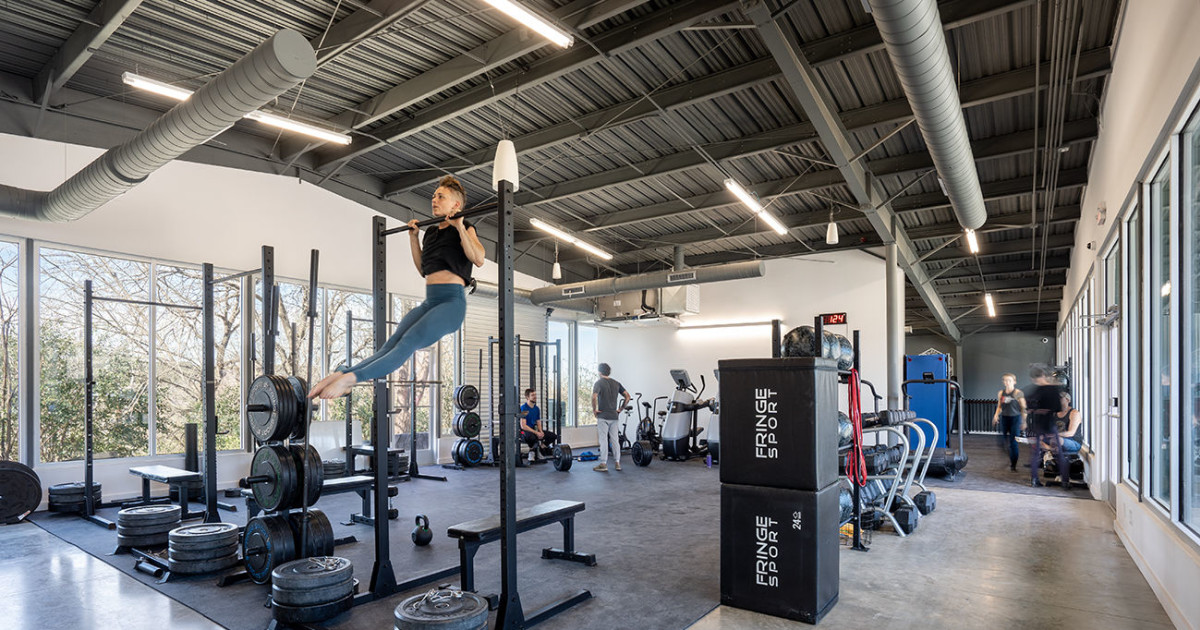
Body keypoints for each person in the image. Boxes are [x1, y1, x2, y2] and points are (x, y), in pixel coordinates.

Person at [309, 175, 485, 400]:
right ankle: (344, 373)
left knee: (409, 342)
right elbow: (423, 269)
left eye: (441, 197)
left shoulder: (466, 227)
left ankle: (350, 379)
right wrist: (413, 238)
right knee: (390, 344)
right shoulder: (431, 233)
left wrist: (459, 226)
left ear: (456, 205)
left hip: (451, 304)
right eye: (433, 196)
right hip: (431, 302)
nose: (434, 200)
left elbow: (478, 258)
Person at [1024, 364, 1066, 487]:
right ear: (1043, 375)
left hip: (1038, 423)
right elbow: (1058, 408)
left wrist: (1037, 410)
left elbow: (1028, 407)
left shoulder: (1035, 390)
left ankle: (1034, 480)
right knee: (1059, 452)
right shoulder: (1053, 389)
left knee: (1035, 452)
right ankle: (1065, 480)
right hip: (1050, 423)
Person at [592, 362, 630, 472]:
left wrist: (594, 410)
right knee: (615, 440)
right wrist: (620, 409)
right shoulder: (616, 383)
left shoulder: (598, 383)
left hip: (603, 416)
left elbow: (594, 397)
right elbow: (627, 396)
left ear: (599, 372)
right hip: (614, 416)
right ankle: (617, 463)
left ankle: (603, 464)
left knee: (603, 440)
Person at [992, 373, 1027, 471]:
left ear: (1014, 382)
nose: (1007, 382)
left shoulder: (1018, 393)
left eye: (1009, 380)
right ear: (1003, 382)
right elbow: (999, 406)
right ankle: (1011, 454)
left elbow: (1023, 408)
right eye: (1005, 380)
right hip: (1005, 418)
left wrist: (1024, 421)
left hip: (1015, 419)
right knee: (1002, 441)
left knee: (1013, 443)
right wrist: (996, 416)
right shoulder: (1001, 393)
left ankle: (1013, 465)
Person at [519, 388, 558, 463]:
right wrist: (537, 433)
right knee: (533, 437)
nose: (535, 396)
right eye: (532, 395)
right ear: (527, 397)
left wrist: (540, 431)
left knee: (553, 436)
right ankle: (532, 452)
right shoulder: (524, 408)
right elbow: (523, 426)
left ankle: (540, 449)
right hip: (524, 432)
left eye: (535, 395)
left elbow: (538, 422)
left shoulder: (536, 409)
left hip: (534, 430)